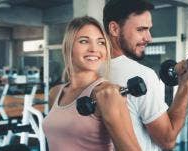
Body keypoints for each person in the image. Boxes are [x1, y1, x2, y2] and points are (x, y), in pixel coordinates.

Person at [103, 0, 188, 150]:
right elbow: (167, 139)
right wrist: (186, 83)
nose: (149, 38)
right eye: (141, 30)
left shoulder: (89, 72)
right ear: (114, 29)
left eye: (149, 29)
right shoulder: (142, 75)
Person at [42, 16, 141, 151]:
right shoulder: (55, 92)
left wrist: (111, 114)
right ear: (68, 47)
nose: (94, 49)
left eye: (101, 43)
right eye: (84, 41)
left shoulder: (107, 93)